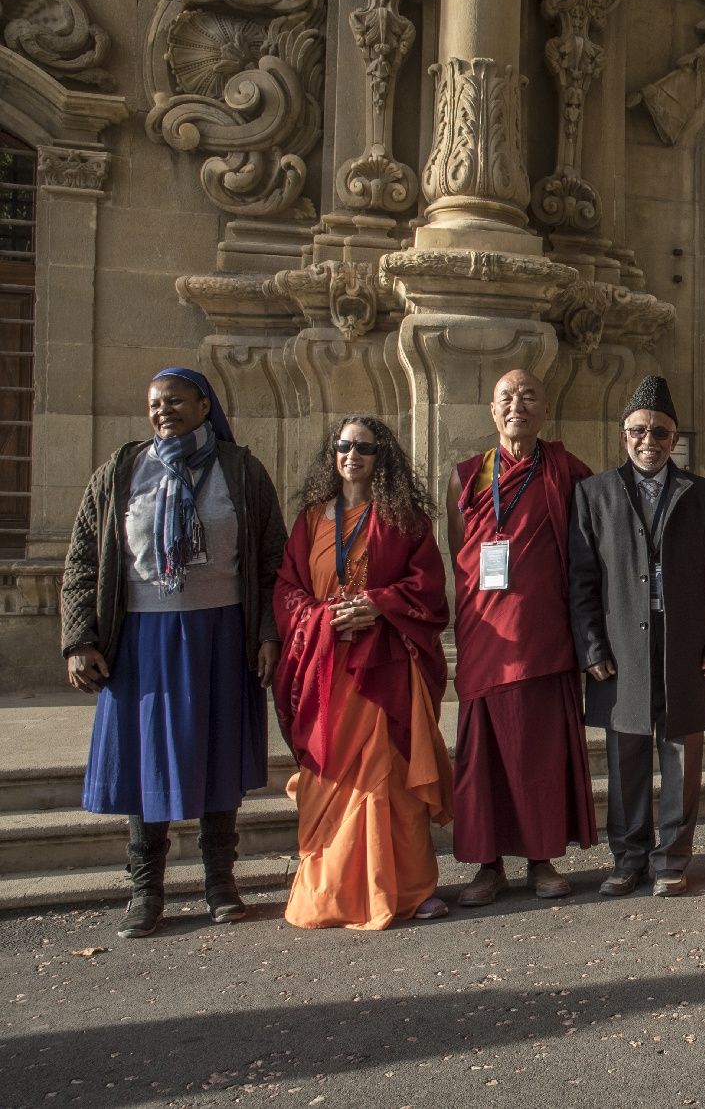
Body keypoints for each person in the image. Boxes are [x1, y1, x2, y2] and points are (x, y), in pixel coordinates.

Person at [62, 367, 285, 938]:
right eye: (155, 403)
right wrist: (80, 639)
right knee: (144, 762)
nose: (164, 411)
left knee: (217, 752)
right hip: (141, 639)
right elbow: (84, 558)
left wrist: (267, 633)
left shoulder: (242, 470)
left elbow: (271, 564)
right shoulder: (120, 472)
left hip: (219, 635)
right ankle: (146, 890)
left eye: (177, 401)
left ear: (205, 406)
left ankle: (220, 885)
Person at [273, 417, 452, 929]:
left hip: (385, 670)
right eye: (344, 446)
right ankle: (332, 893)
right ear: (334, 453)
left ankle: (412, 890)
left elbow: (428, 587)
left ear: (381, 457)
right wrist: (319, 616)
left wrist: (377, 605)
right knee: (328, 778)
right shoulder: (309, 521)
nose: (352, 454)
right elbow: (287, 590)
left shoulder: (404, 520)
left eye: (364, 448)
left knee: (390, 778)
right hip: (326, 672)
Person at [570, 376, 705, 898]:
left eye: (660, 432)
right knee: (626, 758)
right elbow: (581, 579)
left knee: (681, 755)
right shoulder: (593, 494)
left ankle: (672, 859)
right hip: (620, 646)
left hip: (684, 641)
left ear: (674, 438)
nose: (650, 440)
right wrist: (591, 646)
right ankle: (628, 859)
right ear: (624, 435)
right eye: (639, 430)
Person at [446, 369, 596, 905]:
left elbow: (587, 554)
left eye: (529, 396)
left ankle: (541, 858)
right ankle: (488, 866)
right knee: (482, 754)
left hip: (543, 634)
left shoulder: (567, 471)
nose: (517, 405)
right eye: (506, 397)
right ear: (491, 410)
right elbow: (461, 554)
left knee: (539, 752)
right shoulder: (464, 477)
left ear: (545, 409)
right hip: (487, 635)